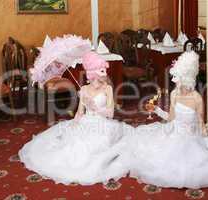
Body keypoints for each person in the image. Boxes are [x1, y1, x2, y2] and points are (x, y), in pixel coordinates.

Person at [128, 51, 208, 189]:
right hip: (174, 134)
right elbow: (171, 119)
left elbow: (201, 124)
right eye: (176, 80)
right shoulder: (174, 94)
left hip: (192, 137)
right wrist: (156, 110)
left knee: (199, 165)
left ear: (188, 80)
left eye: (178, 80)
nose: (177, 84)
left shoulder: (197, 98)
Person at [19, 52, 132, 185]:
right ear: (92, 75)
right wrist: (76, 123)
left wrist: (96, 108)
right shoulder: (83, 89)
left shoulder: (107, 89)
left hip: (103, 123)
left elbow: (111, 114)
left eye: (103, 74)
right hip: (86, 121)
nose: (102, 78)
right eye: (99, 75)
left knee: (99, 142)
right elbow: (79, 113)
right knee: (75, 143)